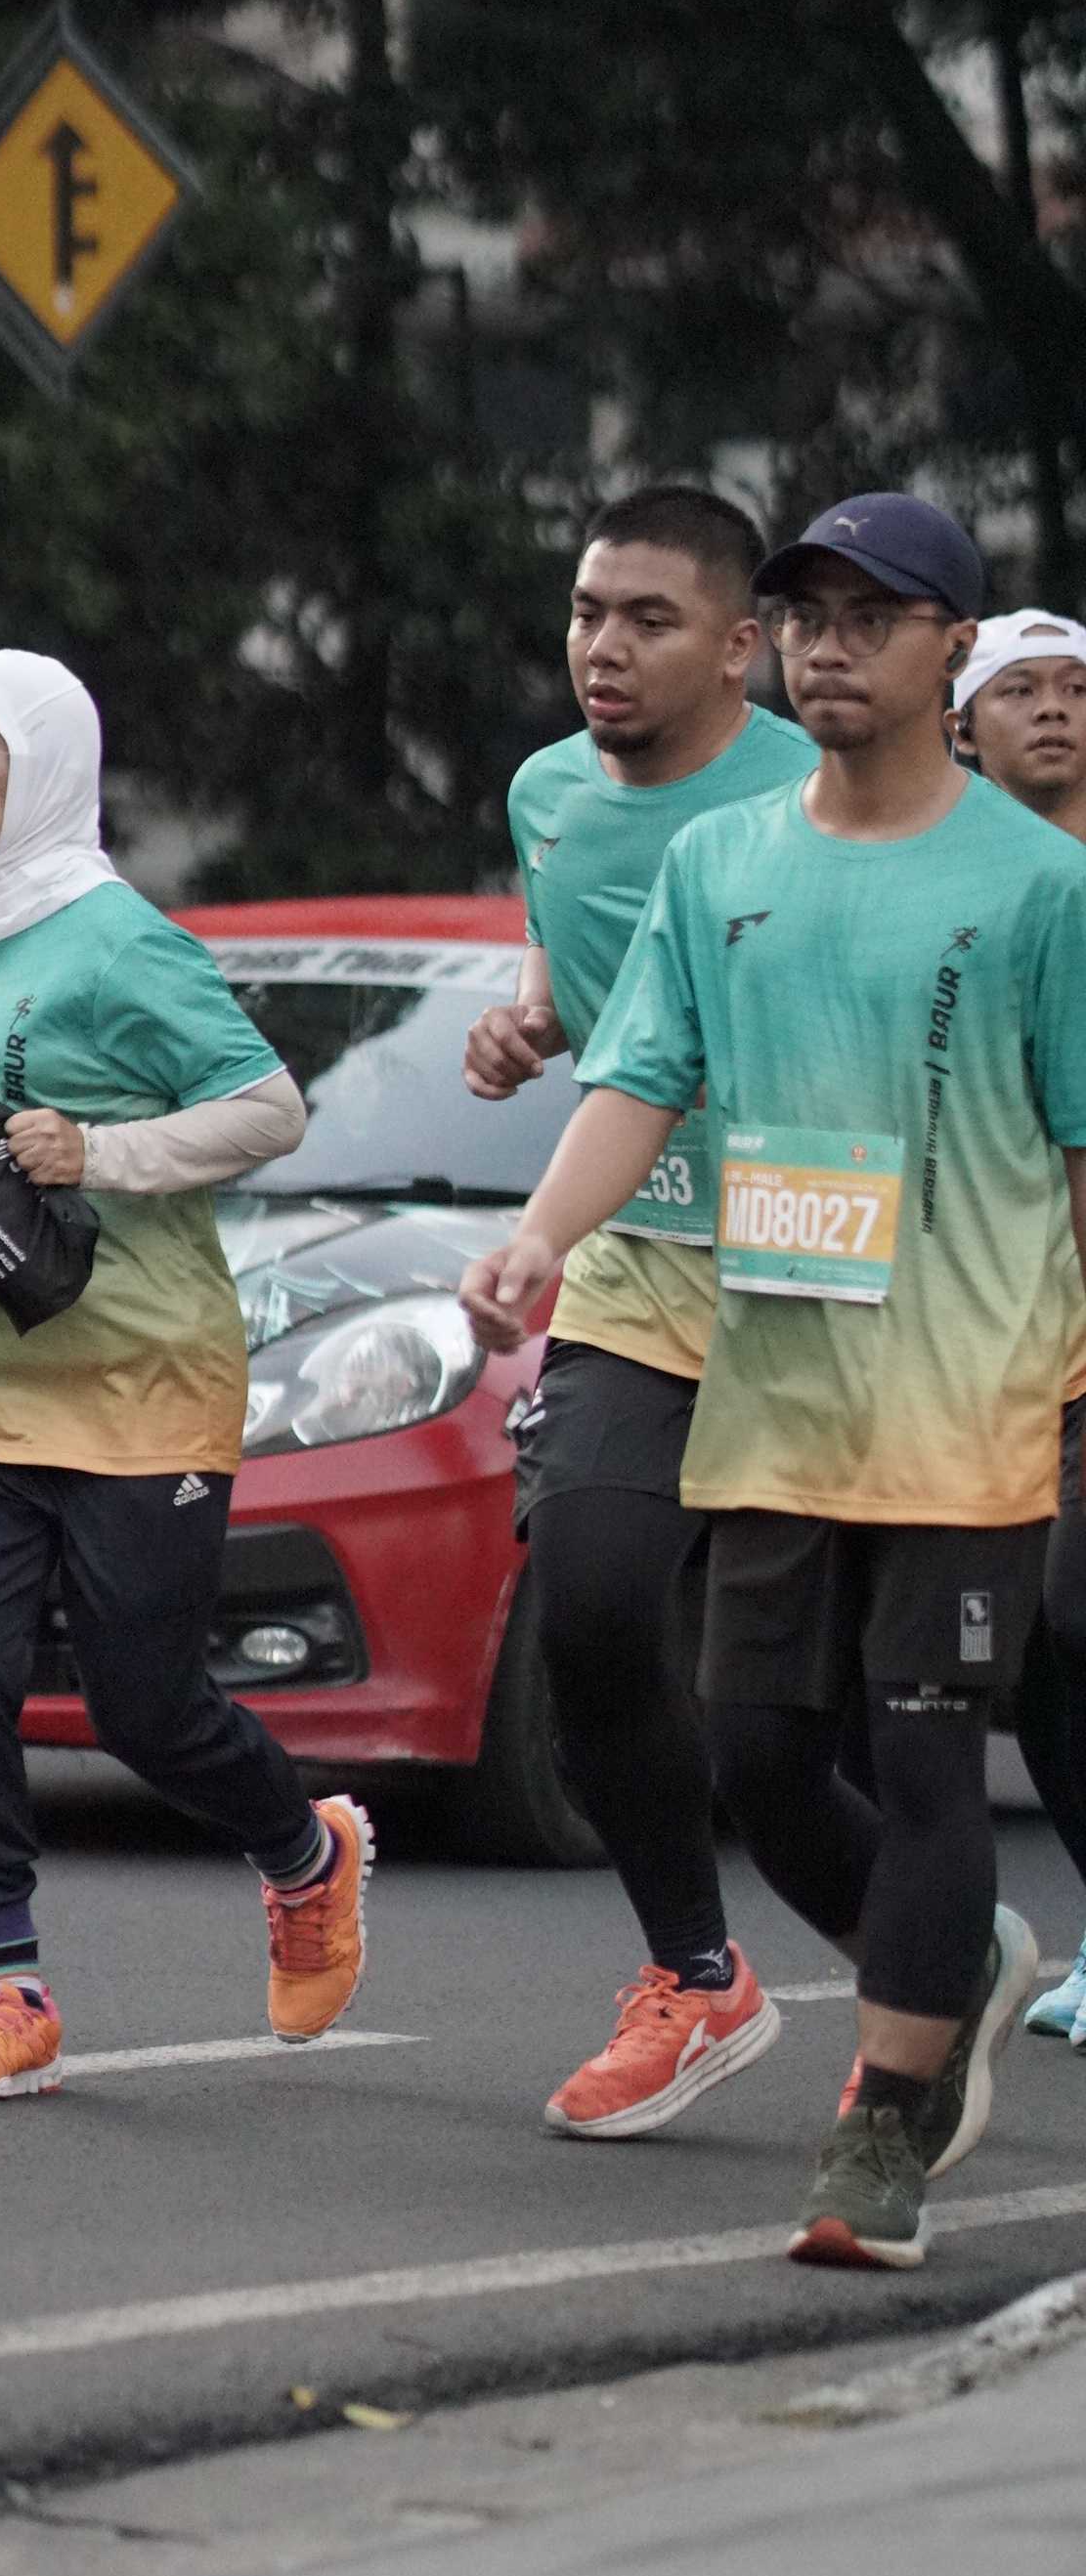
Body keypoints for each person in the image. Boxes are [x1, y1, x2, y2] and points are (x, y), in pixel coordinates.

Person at [460, 494, 1086, 2270]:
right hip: (774, 1385)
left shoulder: (1045, 888)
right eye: (808, 616)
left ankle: (880, 2132)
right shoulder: (718, 868)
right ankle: (938, 1974)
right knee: (760, 1749)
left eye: (870, 619)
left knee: (927, 1748)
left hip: (964, 1397)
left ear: (951, 652)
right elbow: (639, 1076)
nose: (828, 646)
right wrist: (538, 1237)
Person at [0, 649, 372, 2099]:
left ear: (49, 770)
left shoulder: (125, 942)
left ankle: (304, 1853)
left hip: (139, 1382)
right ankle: (4, 1989)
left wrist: (102, 1152)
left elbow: (270, 1109)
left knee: (146, 1708)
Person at [464, 487, 812, 2139]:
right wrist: (525, 1023)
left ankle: (930, 1964)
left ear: (741, 647)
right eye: (588, 611)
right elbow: (582, 978)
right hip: (632, 1265)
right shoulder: (546, 793)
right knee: (593, 1608)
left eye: (649, 620)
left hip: (824, 1278)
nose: (602, 647)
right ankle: (694, 1974)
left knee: (800, 1722)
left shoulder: (818, 796)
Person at [944, 612, 1086, 2039]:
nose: (1054, 710)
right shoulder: (946, 886)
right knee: (1035, 1650)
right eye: (1021, 689)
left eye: (1078, 689)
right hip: (981, 1333)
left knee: (1074, 1606)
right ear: (961, 726)